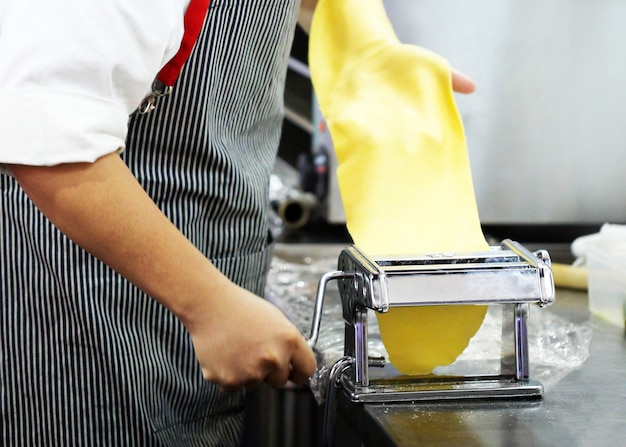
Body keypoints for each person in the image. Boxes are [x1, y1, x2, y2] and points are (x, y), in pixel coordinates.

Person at [0, 0, 475, 445]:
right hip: (78, 322)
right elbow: (45, 133)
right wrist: (208, 304)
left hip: (191, 314)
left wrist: (368, 48)